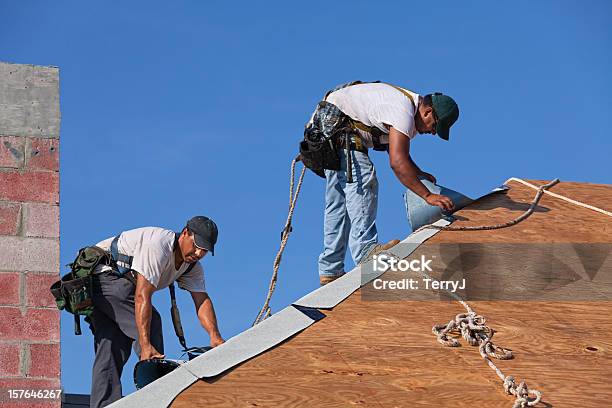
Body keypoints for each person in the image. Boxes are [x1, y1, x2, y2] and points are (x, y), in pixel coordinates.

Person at [311, 81, 459, 285]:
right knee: (363, 182)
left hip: (328, 128)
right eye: (434, 126)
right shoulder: (403, 110)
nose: (432, 132)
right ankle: (365, 251)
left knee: (339, 202)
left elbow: (398, 153)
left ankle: (331, 268)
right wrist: (428, 195)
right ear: (428, 112)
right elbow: (397, 162)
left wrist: (418, 172)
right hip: (341, 131)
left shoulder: (404, 106)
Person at [87, 216, 224, 407]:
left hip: (110, 286)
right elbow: (142, 296)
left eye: (205, 250)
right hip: (105, 276)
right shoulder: (159, 245)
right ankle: (157, 397)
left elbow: (201, 300)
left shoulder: (192, 266)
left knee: (112, 344)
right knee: (152, 324)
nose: (199, 253)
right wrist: (145, 345)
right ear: (185, 233)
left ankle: (103, 404)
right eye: (196, 245)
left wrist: (215, 337)